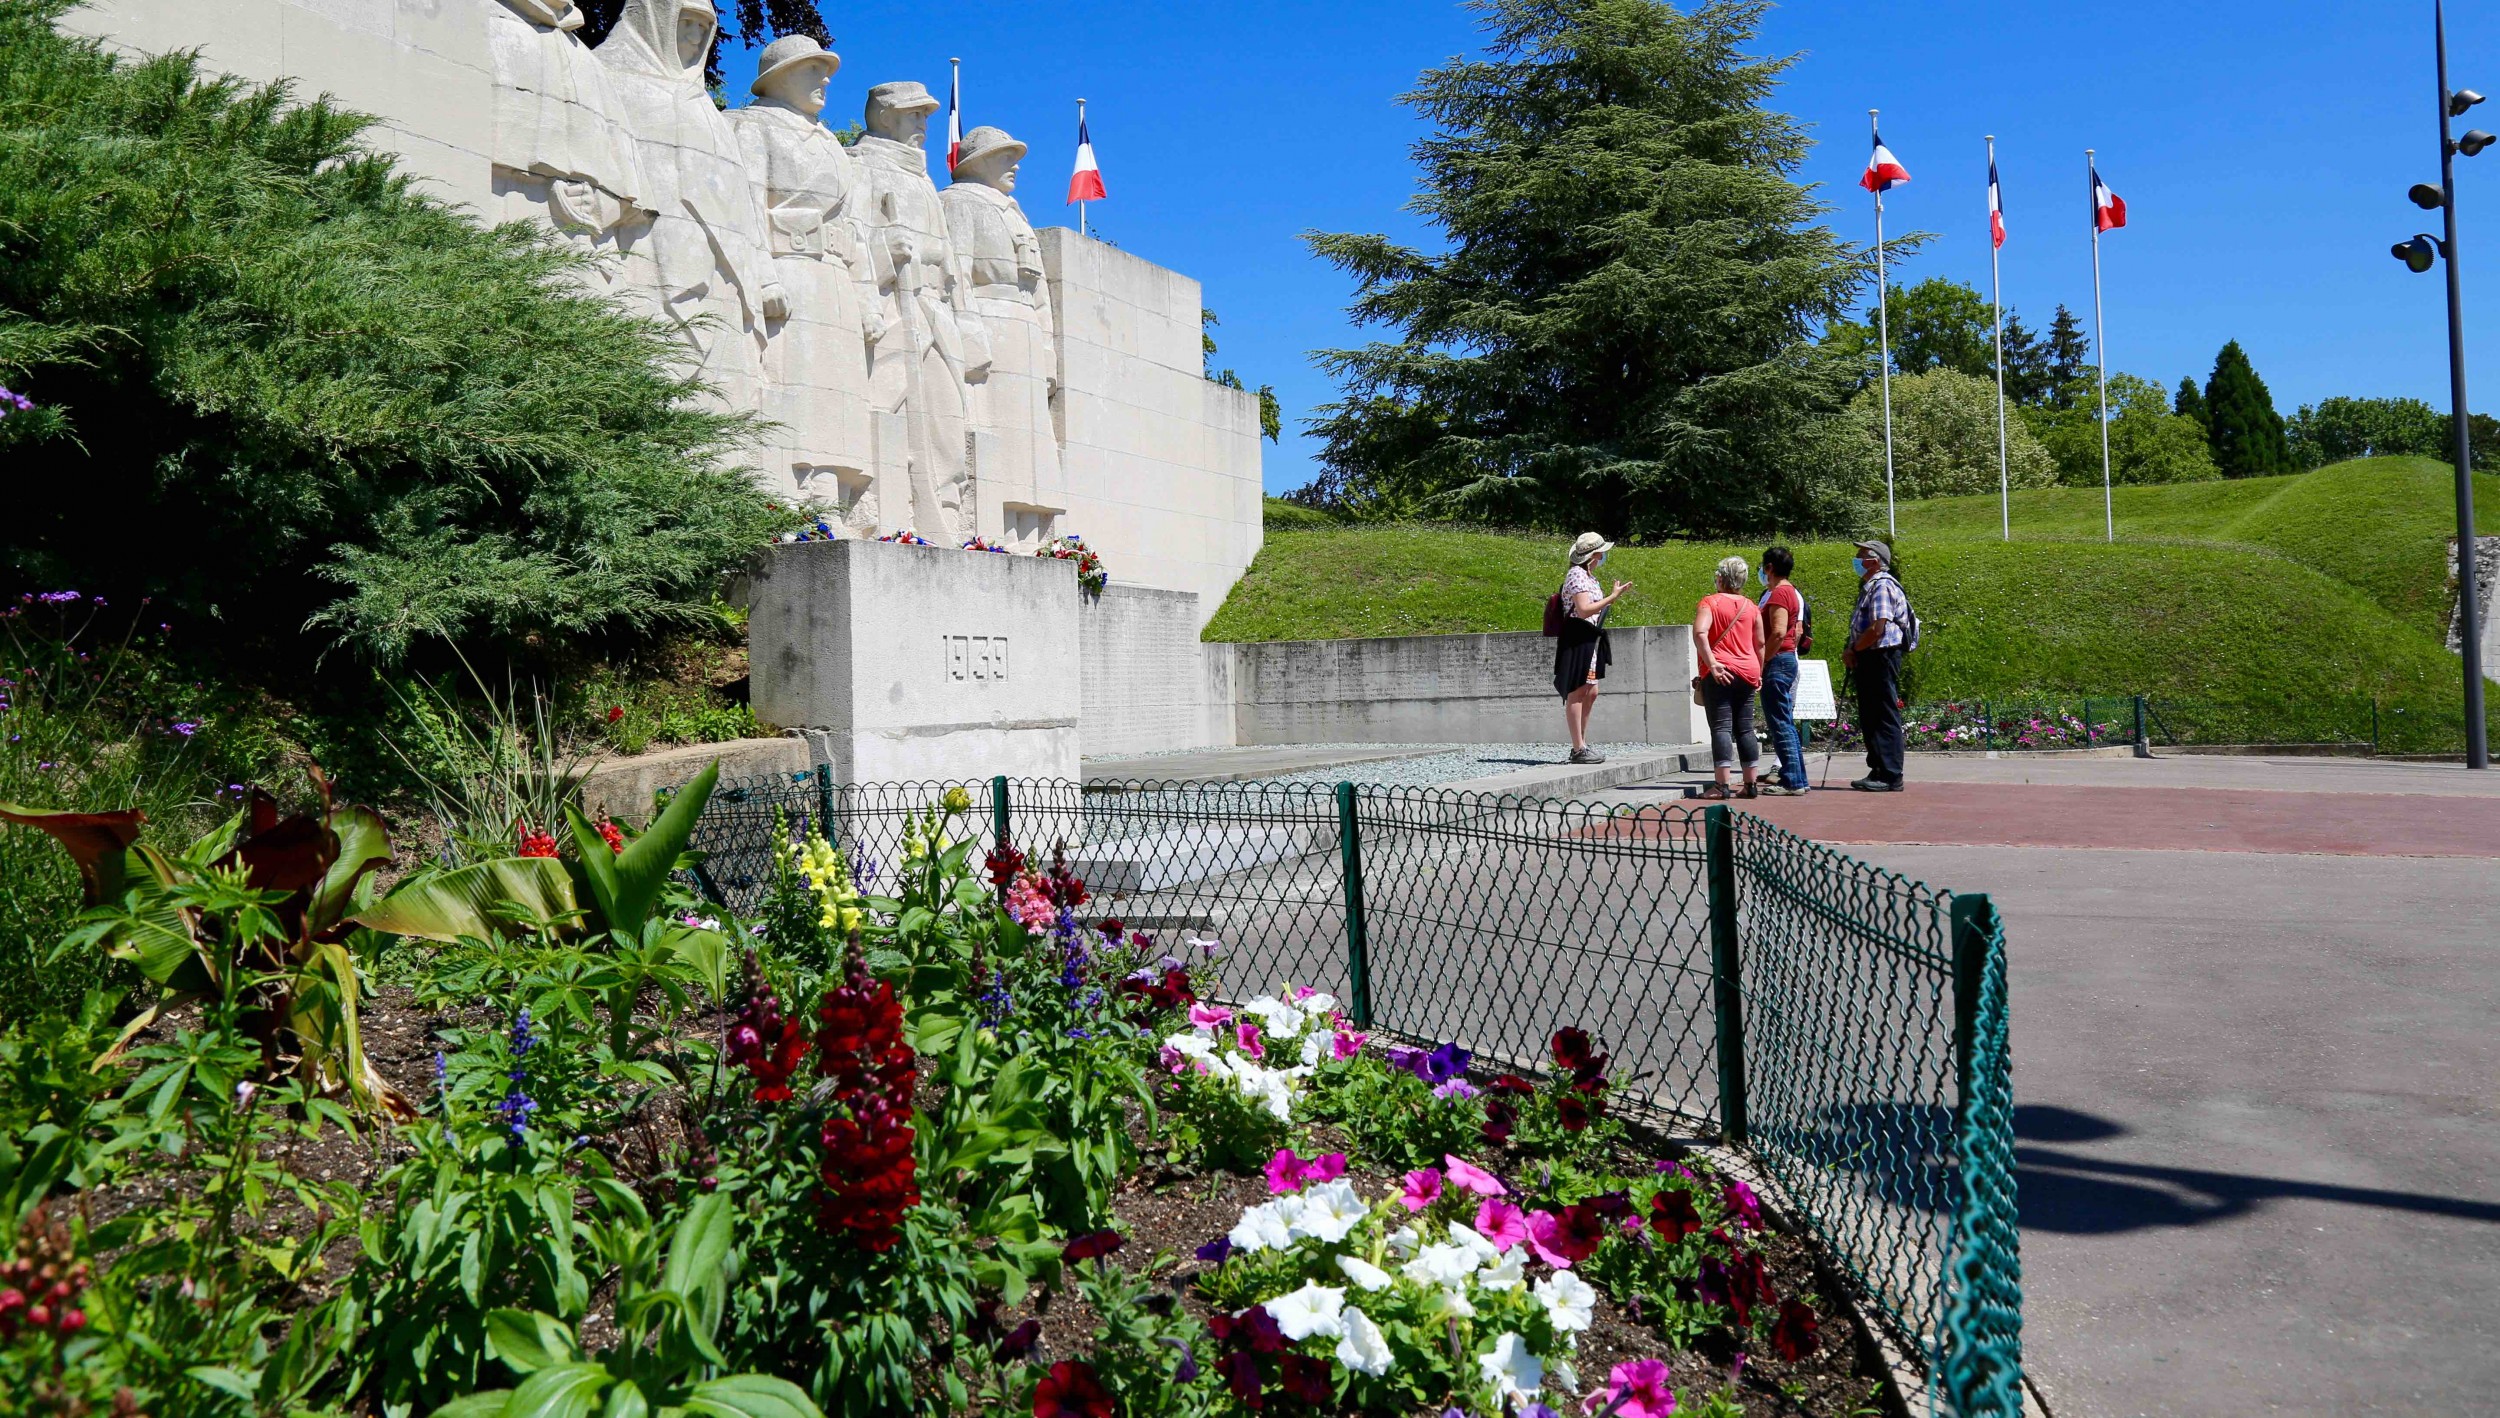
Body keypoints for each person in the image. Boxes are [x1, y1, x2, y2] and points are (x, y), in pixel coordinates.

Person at [1554, 532, 1631, 764]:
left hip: (1588, 635)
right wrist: (1612, 597)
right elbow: (1584, 609)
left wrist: (1610, 598)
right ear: (1594, 555)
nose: (1603, 556)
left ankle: (1581, 744)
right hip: (1578, 635)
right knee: (1578, 690)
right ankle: (1578, 748)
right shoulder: (1577, 574)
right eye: (1601, 552)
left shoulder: (1587, 575)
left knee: (1591, 690)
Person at [1692, 556, 1765, 799]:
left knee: (1721, 727)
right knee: (1745, 728)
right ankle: (1750, 784)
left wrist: (1712, 664)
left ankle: (1722, 786)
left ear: (1721, 578)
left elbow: (1700, 633)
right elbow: (1760, 643)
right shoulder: (1751, 606)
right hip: (1748, 671)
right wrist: (1759, 671)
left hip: (1721, 671)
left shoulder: (1709, 603)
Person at [1842, 539, 1911, 792]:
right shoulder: (1871, 585)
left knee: (1882, 713)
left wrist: (1854, 649)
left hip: (1880, 655)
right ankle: (1879, 768)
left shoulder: (1882, 586)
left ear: (1874, 561)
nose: (1857, 560)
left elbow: (1878, 627)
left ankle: (1891, 773)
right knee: (1871, 713)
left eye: (1861, 555)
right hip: (1871, 655)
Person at [1755, 545, 1808, 796]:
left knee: (1780, 723)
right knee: (1785, 722)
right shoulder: (1790, 591)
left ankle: (1791, 781)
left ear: (1770, 568)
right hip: (1787, 660)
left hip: (1778, 662)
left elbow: (1778, 631)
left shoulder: (1778, 594)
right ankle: (1798, 778)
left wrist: (1763, 660)